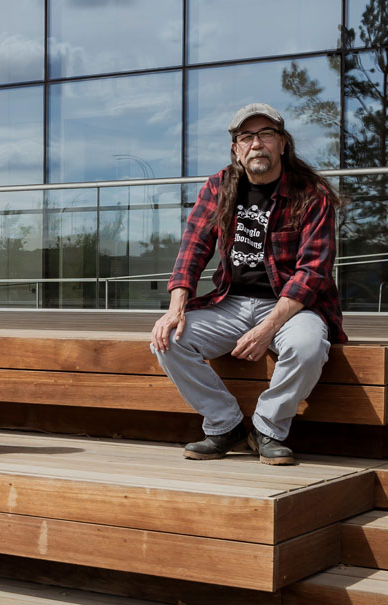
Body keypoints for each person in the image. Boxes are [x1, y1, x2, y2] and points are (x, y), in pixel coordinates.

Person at [151, 102, 345, 466]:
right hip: (232, 302)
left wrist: (268, 327)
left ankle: (268, 428)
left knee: (306, 346)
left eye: (266, 134)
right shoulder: (219, 186)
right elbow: (193, 248)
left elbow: (313, 273)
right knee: (167, 341)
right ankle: (226, 425)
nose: (257, 143)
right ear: (236, 149)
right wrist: (175, 309)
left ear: (283, 144)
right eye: (247, 137)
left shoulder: (311, 193)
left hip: (291, 306)